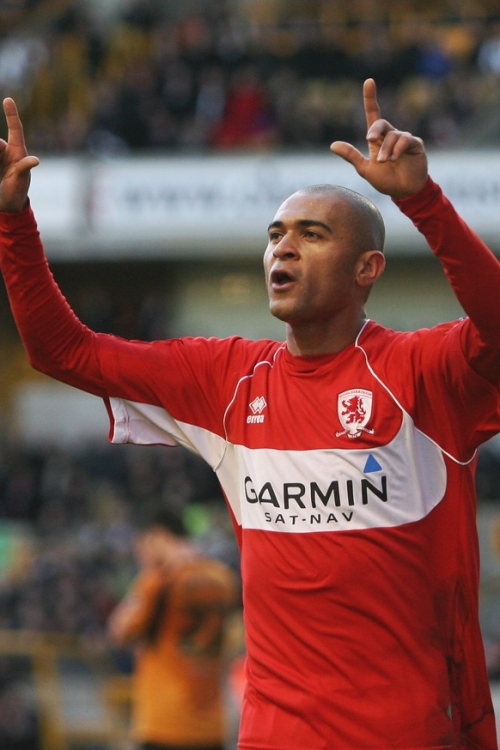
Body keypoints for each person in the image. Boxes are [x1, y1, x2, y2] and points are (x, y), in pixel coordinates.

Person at [0, 77, 499, 749]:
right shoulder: (226, 379)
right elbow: (61, 351)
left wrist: (424, 202)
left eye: (312, 234)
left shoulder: (423, 372)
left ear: (367, 268)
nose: (282, 249)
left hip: (409, 732)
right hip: (272, 733)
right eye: (275, 235)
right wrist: (14, 221)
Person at [107, 508, 239, 750]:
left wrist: (145, 575)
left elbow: (120, 631)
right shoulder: (222, 577)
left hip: (165, 724)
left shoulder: (158, 580)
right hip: (213, 724)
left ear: (157, 537)